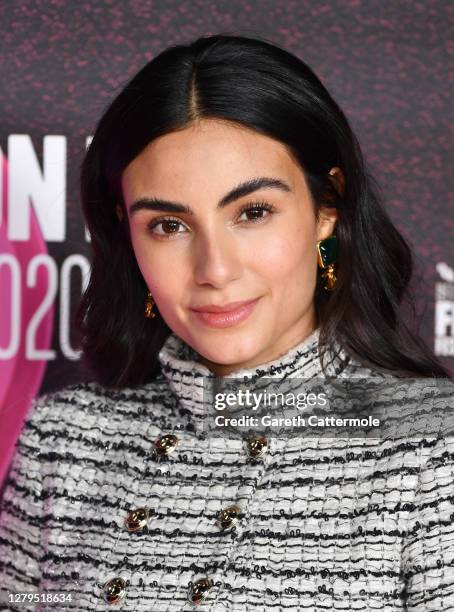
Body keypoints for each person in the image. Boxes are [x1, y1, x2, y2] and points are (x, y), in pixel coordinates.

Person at [0, 33, 453, 612]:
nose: (214, 269)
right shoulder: (59, 443)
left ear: (327, 207)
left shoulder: (432, 453)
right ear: (127, 234)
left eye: (253, 212)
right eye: (169, 225)